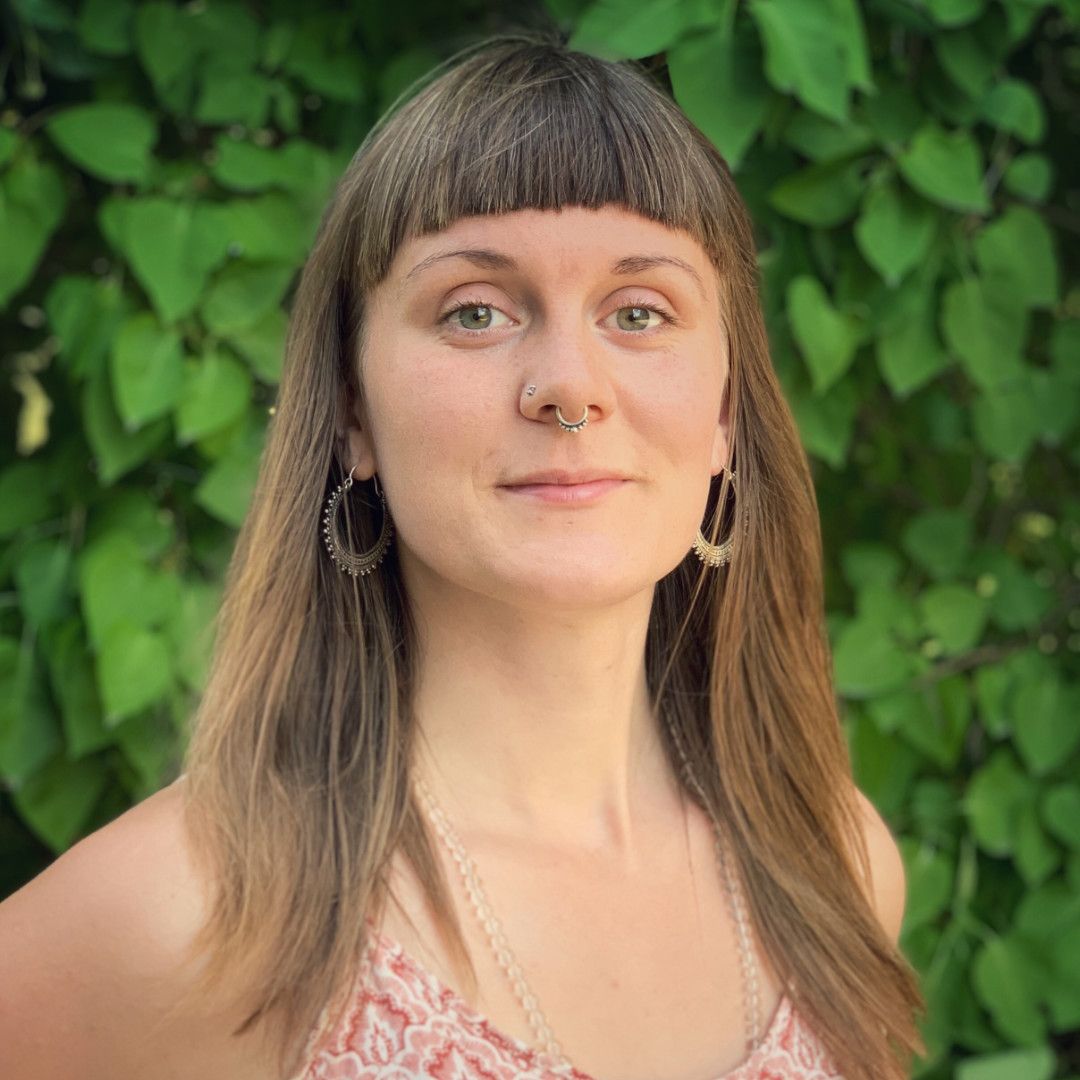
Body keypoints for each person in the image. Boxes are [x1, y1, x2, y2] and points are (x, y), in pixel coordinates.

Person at [0, 29, 926, 1080]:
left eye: (640, 311)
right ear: (352, 410)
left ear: (723, 412)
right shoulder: (189, 919)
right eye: (475, 312)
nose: (569, 386)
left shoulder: (837, 869)